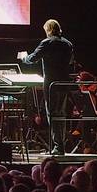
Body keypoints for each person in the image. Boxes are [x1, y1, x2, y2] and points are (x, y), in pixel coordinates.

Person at [19, 19, 74, 155]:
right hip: (64, 83)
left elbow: (33, 59)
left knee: (52, 115)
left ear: (48, 30)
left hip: (51, 84)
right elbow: (71, 61)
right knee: (61, 114)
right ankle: (60, 145)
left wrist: (24, 57)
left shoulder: (47, 42)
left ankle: (58, 147)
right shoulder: (68, 44)